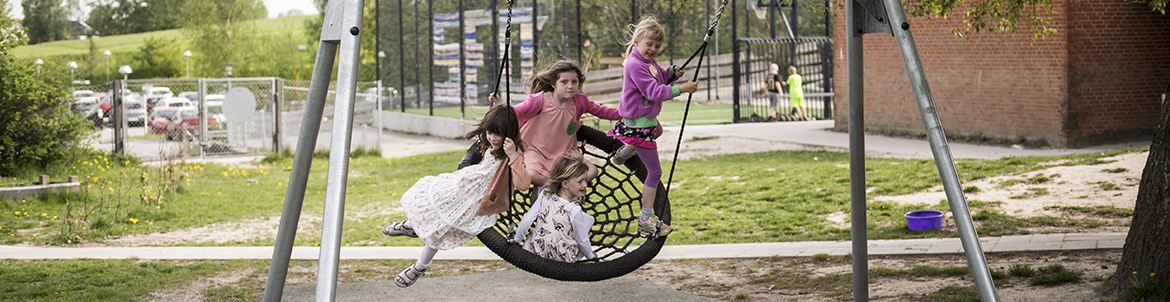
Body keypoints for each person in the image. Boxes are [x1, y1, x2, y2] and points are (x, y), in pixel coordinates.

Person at [380, 105, 531, 288]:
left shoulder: (513, 153)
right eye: (490, 132)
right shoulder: (491, 145)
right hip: (465, 187)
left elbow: (523, 184)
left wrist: (513, 155)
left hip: (478, 201)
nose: (492, 138)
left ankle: (421, 266)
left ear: (509, 133)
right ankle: (411, 225)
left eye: (497, 134)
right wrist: (496, 103)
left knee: (444, 225)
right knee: (434, 204)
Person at [608, 15, 699, 237]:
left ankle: (623, 153)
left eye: (657, 45)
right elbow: (653, 91)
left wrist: (670, 73)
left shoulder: (647, 63)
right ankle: (646, 220)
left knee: (657, 130)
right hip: (638, 123)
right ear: (637, 41)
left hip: (643, 121)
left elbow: (658, 78)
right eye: (649, 44)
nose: (653, 49)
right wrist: (682, 89)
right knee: (655, 172)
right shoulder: (634, 64)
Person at [488, 60, 623, 186]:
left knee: (592, 171)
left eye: (574, 82)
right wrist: (498, 106)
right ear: (553, 84)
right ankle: (555, 186)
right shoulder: (539, 100)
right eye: (564, 82)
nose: (570, 86)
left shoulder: (580, 101)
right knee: (531, 175)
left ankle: (562, 187)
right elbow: (513, 112)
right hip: (535, 149)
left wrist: (628, 114)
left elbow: (602, 112)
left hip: (566, 151)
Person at [512, 155, 597, 263]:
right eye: (580, 181)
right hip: (562, 255)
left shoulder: (544, 194)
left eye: (585, 180)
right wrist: (589, 255)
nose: (585, 184)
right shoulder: (574, 209)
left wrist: (517, 239)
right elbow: (582, 238)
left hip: (537, 248)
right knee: (588, 220)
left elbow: (528, 219)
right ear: (565, 183)